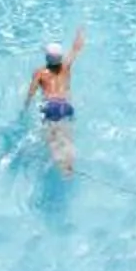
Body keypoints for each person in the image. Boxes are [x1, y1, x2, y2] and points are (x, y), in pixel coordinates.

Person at [26, 31, 88, 170]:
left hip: (51, 105)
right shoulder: (66, 67)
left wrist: (25, 107)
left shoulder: (40, 72)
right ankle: (69, 166)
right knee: (67, 136)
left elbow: (31, 92)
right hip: (66, 106)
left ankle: (60, 165)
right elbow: (75, 50)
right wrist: (79, 38)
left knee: (52, 138)